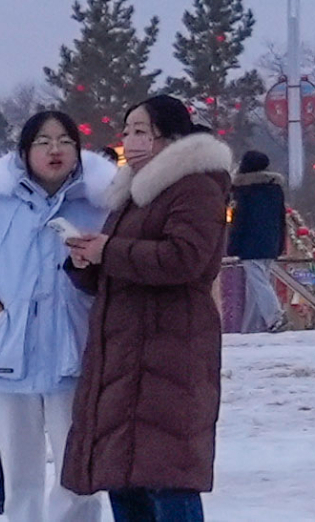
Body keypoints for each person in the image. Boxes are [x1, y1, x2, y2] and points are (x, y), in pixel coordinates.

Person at [0, 110, 124, 522]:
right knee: (20, 477)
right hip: (8, 357)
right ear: (25, 151)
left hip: (79, 357)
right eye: (43, 141)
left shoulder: (102, 208)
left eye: (65, 140)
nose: (55, 150)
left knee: (79, 472)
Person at [61, 96, 235, 522]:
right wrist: (85, 261)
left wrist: (110, 251)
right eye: (127, 131)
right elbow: (117, 263)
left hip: (170, 354)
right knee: (126, 478)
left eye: (141, 131)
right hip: (124, 356)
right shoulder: (134, 193)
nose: (129, 140)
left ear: (171, 138)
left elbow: (185, 259)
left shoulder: (195, 186)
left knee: (167, 478)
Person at [224, 153, 286, 336]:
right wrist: (280, 243)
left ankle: (275, 317)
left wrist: (233, 245)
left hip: (250, 243)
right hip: (271, 241)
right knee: (257, 284)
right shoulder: (275, 188)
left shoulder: (243, 190)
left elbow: (239, 220)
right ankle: (251, 328)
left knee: (258, 282)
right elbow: (281, 218)